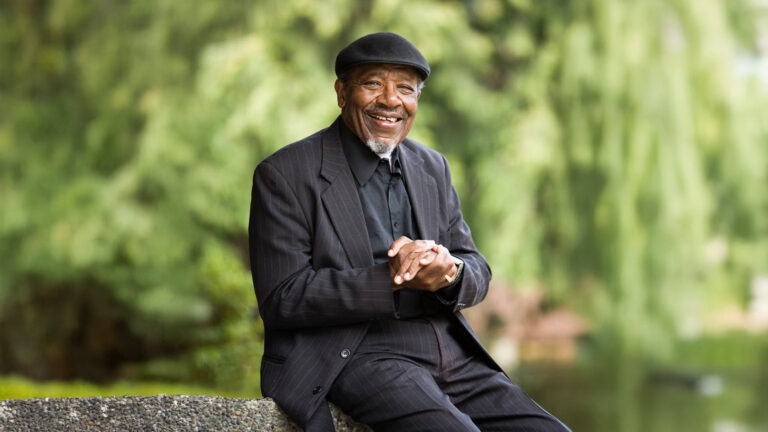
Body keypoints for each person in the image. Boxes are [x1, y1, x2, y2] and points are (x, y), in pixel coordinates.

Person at [249, 32, 570, 432]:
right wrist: (390, 278)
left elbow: (476, 268)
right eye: (372, 84)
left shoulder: (432, 166)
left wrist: (449, 271)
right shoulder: (285, 173)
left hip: (450, 353)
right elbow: (282, 298)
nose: (390, 100)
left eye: (405, 89)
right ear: (342, 92)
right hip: (354, 354)